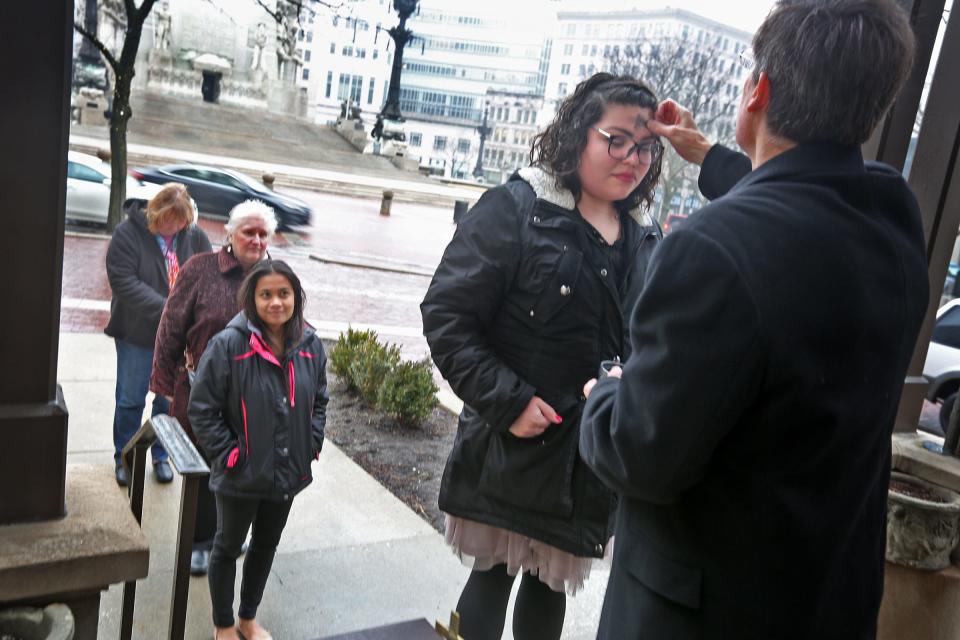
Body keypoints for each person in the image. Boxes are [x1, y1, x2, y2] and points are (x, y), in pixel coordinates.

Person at [578, 1, 927, 637]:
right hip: (827, 602)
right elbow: (802, 202)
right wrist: (712, 157)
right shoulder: (891, 215)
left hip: (707, 616)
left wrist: (606, 396)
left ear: (758, 90)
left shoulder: (708, 251)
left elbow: (641, 456)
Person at [420, 73, 663, 640]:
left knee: (548, 592)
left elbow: (649, 337)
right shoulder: (517, 209)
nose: (633, 158)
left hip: (589, 455)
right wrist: (508, 402)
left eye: (646, 146)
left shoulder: (645, 236)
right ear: (579, 134)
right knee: (492, 578)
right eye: (617, 139)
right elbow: (447, 315)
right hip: (514, 444)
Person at [189, 259, 327, 640]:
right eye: (266, 295)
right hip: (241, 473)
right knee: (227, 547)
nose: (276, 302)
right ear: (252, 299)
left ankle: (248, 618)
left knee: (265, 544)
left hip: (287, 472)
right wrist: (230, 454)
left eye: (284, 294)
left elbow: (319, 399)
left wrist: (310, 443)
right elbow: (202, 408)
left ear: (296, 297)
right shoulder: (228, 345)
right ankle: (223, 624)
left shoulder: (311, 345)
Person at [151, 200, 276, 575]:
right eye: (248, 232)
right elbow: (171, 326)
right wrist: (163, 385)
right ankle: (200, 541)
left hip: (258, 398)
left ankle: (231, 536)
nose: (255, 239)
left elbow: (294, 326)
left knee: (245, 471)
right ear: (230, 234)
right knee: (206, 473)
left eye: (262, 233)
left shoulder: (277, 276)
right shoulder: (201, 269)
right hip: (204, 395)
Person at [105, 183, 211, 486]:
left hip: (177, 340)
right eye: (169, 220)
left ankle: (160, 454)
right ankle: (124, 455)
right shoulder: (128, 234)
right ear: (156, 213)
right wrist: (171, 309)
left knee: (169, 401)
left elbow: (207, 275)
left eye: (181, 221)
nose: (174, 227)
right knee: (131, 398)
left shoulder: (193, 235)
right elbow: (123, 282)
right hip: (137, 334)